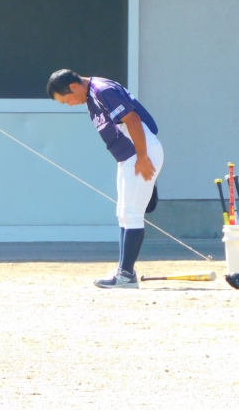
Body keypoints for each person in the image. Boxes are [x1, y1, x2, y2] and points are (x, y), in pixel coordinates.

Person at [47, 69, 164, 289]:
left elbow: (133, 120)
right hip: (129, 157)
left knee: (132, 214)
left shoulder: (102, 90)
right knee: (123, 214)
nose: (70, 105)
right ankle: (124, 270)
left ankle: (125, 275)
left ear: (73, 87)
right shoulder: (92, 95)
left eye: (67, 100)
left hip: (140, 154)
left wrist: (142, 157)